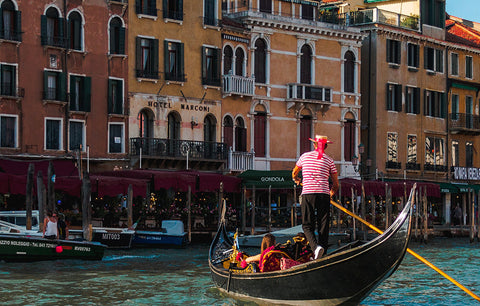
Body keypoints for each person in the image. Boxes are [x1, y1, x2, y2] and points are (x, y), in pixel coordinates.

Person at [292, 135, 339, 260]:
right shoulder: (329, 160)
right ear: (326, 147)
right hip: (324, 195)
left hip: (308, 194)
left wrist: (296, 179)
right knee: (323, 225)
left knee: (307, 225)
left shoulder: (304, 157)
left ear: (314, 145)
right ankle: (323, 252)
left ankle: (315, 248)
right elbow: (336, 184)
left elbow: (294, 172)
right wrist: (331, 193)